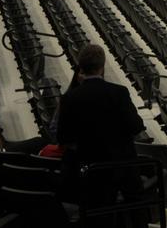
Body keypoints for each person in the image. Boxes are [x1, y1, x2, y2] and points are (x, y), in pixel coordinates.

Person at [56, 44, 145, 208]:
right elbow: (137, 127)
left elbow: (63, 138)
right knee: (136, 206)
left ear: (81, 68)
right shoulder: (119, 92)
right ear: (102, 67)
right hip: (123, 169)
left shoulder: (69, 98)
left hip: (90, 171)